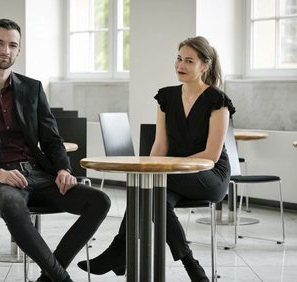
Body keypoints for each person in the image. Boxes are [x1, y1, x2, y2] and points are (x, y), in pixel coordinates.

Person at [0, 18, 110, 282]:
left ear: (19, 51)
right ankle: (61, 278)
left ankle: (48, 279)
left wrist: (62, 168)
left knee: (100, 201)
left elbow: (51, 139)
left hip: (38, 175)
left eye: (13, 45)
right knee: (13, 204)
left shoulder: (32, 88)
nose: (6, 50)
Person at [77, 36, 235, 281]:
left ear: (205, 65)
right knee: (152, 195)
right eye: (179, 58)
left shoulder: (218, 101)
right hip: (173, 176)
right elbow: (160, 145)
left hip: (209, 176)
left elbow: (211, 155)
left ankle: (119, 252)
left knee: (151, 186)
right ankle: (191, 265)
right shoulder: (166, 97)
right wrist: (150, 169)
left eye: (189, 61)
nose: (180, 65)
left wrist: (165, 170)